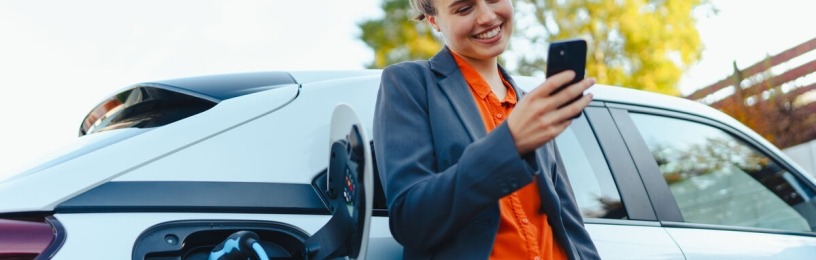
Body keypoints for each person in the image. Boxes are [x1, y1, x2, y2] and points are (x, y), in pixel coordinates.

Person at [372, 0, 600, 259]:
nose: (487, 17)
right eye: (464, 9)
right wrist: (510, 142)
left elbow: (569, 223)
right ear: (433, 20)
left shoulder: (531, 105)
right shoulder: (410, 85)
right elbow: (410, 220)